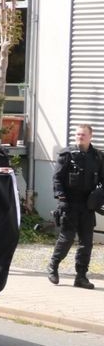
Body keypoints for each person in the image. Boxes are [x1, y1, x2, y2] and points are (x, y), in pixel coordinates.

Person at [47, 123, 103, 289]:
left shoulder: (98, 157)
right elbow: (57, 178)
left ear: (90, 136)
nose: (80, 137)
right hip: (70, 204)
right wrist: (62, 199)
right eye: (78, 134)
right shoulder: (66, 155)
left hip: (88, 205)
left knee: (87, 243)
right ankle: (53, 267)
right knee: (67, 239)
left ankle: (81, 277)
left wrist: (99, 198)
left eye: (83, 134)